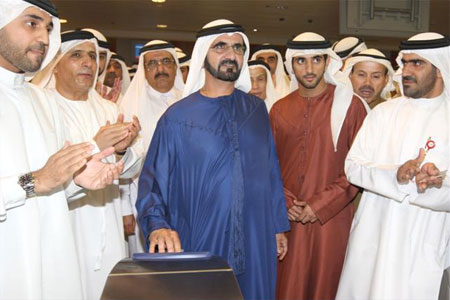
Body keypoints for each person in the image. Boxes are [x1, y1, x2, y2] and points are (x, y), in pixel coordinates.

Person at [136, 19, 290, 300]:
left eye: (238, 48)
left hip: (257, 234)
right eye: (220, 46)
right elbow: (152, 182)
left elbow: (270, 171)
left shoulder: (256, 110)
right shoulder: (177, 117)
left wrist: (278, 225)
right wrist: (157, 225)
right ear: (203, 53)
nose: (231, 55)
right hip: (202, 235)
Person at [0, 1, 122, 299]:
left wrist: (77, 182)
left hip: (55, 264)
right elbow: (37, 182)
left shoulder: (43, 101)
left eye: (48, 28)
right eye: (31, 24)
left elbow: (50, 192)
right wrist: (34, 181)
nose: (43, 38)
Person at [336, 32, 450, 300]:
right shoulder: (383, 113)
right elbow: (353, 167)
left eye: (417, 64)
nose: (406, 71)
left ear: (441, 69)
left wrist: (434, 184)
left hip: (424, 236)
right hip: (375, 233)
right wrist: (395, 174)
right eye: (405, 62)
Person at [33, 29, 143, 300]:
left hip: (108, 222)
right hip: (66, 226)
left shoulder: (108, 108)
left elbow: (130, 169)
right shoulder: (42, 108)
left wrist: (122, 151)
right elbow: (43, 177)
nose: (88, 63)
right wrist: (96, 144)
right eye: (77, 55)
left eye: (93, 56)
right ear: (55, 65)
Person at [271, 32, 367, 300]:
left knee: (328, 285)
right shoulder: (278, 109)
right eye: (301, 61)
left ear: (328, 62)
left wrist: (319, 205)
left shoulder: (351, 107)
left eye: (316, 59)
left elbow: (358, 168)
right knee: (287, 286)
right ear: (291, 65)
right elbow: (268, 167)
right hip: (287, 219)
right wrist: (287, 202)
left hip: (332, 220)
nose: (309, 68)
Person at [119, 40, 184, 254]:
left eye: (166, 61)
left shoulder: (190, 101)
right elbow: (121, 162)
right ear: (144, 70)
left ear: (175, 66)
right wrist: (125, 209)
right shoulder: (129, 106)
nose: (160, 68)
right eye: (152, 64)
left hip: (187, 197)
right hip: (144, 200)